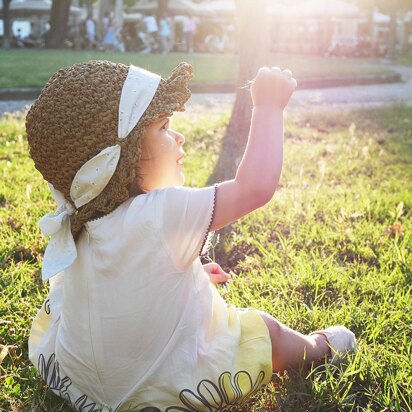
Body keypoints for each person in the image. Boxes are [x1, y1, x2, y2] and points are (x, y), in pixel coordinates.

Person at [26, 61, 357, 411]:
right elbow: (255, 187)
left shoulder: (82, 219)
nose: (179, 136)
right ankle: (319, 348)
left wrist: (190, 280)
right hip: (162, 390)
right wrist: (269, 108)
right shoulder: (163, 211)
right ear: (124, 156)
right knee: (263, 331)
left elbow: (123, 289)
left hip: (87, 385)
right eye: (165, 127)